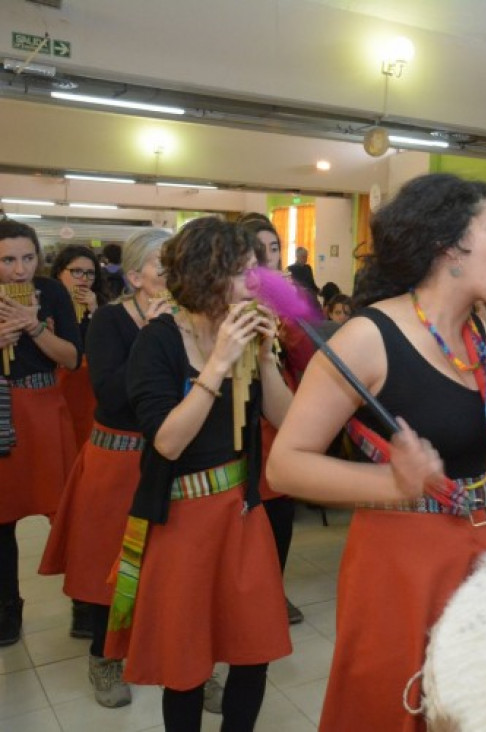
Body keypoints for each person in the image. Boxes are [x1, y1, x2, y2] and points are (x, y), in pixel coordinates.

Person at [265, 173, 486, 730]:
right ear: (448, 245)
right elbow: (286, 463)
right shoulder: (369, 336)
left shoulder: (481, 337)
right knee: (394, 707)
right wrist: (390, 484)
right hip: (401, 564)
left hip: (480, 550)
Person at [104, 217, 293, 731]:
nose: (257, 283)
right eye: (244, 272)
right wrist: (215, 368)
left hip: (242, 510)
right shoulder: (159, 341)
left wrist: (267, 360)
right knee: (185, 665)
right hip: (182, 520)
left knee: (254, 651)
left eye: (257, 270)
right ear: (209, 275)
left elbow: (284, 418)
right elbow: (166, 441)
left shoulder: (245, 331)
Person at [39, 229, 173, 708]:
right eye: (163, 266)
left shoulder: (188, 320)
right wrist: (153, 338)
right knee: (105, 564)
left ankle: (173, 655)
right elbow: (115, 396)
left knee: (169, 563)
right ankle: (104, 656)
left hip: (169, 456)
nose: (174, 277)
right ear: (135, 277)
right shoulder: (110, 322)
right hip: (116, 456)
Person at [0, 218, 81, 647]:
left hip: (45, 407)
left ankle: (85, 603)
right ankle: (7, 608)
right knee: (1, 519)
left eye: (28, 258)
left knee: (68, 512)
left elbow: (70, 358)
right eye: (8, 260)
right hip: (2, 410)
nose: (19, 270)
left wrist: (33, 327)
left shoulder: (51, 293)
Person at [239, 213, 308, 626]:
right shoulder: (226, 302)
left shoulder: (286, 301)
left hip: (281, 412)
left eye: (275, 248)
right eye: (258, 251)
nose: (269, 259)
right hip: (239, 421)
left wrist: (288, 323)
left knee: (279, 513)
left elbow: (306, 359)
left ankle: (273, 590)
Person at [52, 245, 108, 447]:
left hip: (88, 386)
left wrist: (95, 311)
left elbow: (106, 348)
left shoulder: (104, 307)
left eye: (90, 273)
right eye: (76, 271)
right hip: (56, 383)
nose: (84, 279)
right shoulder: (47, 301)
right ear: (60, 273)